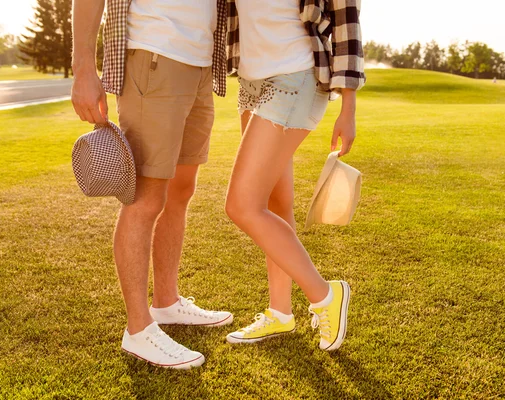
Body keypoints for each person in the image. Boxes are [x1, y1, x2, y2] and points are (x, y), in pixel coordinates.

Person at [71, 0, 232, 369]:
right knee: (145, 198)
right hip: (154, 54)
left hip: (201, 63)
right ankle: (139, 330)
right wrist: (83, 68)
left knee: (180, 189)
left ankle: (167, 302)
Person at [223, 0, 365, 351]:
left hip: (294, 76)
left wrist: (348, 108)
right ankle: (280, 313)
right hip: (251, 82)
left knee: (242, 206)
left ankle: (324, 294)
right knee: (275, 202)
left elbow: (348, 26)